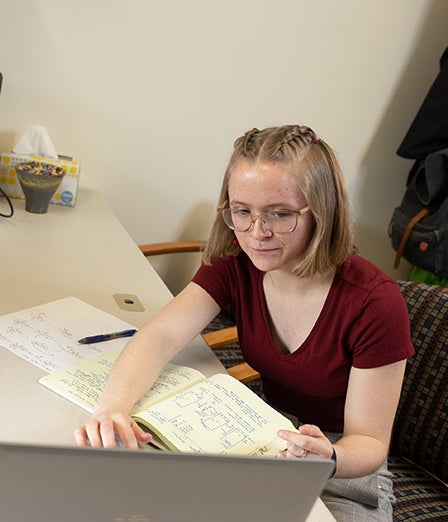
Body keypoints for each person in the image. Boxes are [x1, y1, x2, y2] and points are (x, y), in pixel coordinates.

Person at [75, 125, 414, 521]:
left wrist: (331, 456)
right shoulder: (237, 263)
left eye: (280, 214)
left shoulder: (374, 302)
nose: (257, 233)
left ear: (324, 211)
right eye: (242, 211)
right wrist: (112, 408)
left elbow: (370, 441)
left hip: (344, 463)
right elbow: (162, 335)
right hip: (267, 433)